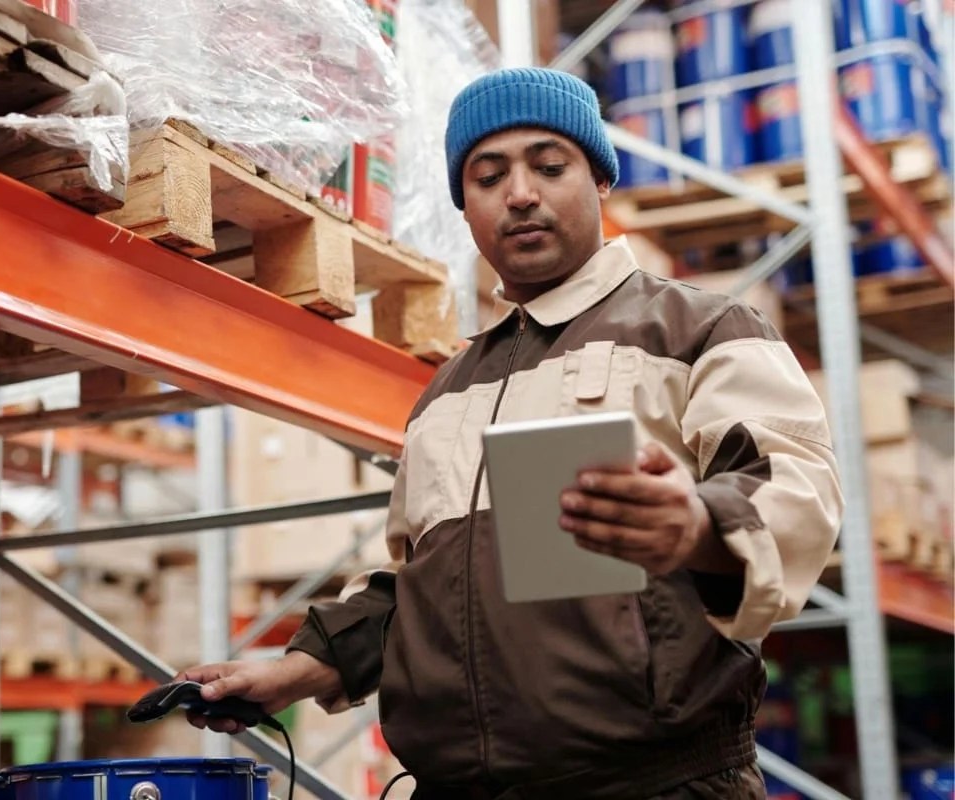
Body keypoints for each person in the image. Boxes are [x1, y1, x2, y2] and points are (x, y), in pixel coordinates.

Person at [181, 67, 843, 799]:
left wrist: (695, 526)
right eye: (488, 176)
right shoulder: (448, 391)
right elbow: (425, 590)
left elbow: (796, 492)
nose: (520, 193)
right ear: (465, 208)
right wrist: (299, 670)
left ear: (600, 182)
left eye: (549, 166)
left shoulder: (700, 330)